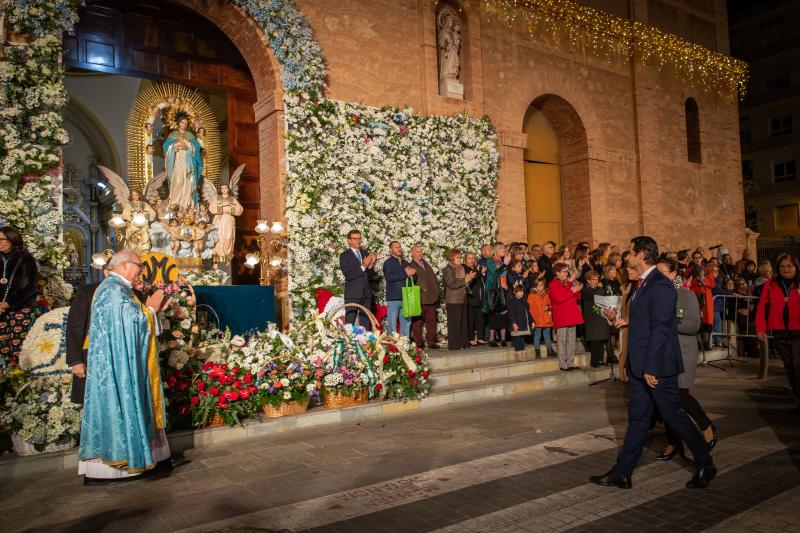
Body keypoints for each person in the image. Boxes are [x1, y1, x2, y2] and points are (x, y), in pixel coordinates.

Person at [590, 236, 716, 490]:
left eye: (630, 252)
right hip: (640, 366)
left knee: (674, 416)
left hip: (656, 367)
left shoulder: (659, 285)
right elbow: (650, 321)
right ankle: (623, 473)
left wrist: (651, 367)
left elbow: (661, 328)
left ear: (642, 255)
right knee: (638, 419)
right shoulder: (641, 284)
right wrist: (629, 323)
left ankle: (706, 462)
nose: (626, 257)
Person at [78, 249, 172, 485]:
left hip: (118, 360)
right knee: (120, 406)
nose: (141, 270)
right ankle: (120, 462)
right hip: (118, 365)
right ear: (124, 265)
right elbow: (131, 325)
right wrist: (150, 309)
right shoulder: (114, 292)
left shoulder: (118, 289)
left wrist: (153, 312)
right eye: (139, 265)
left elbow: (130, 323)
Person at [655, 257, 717, 460]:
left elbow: (693, 325)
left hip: (683, 351)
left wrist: (667, 323)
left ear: (674, 274)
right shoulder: (656, 296)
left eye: (663, 272)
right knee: (665, 401)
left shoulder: (686, 295)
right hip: (662, 353)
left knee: (680, 395)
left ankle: (706, 426)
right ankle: (674, 442)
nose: (658, 276)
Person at [755, 254, 800, 411]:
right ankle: (797, 395)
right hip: (779, 332)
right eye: (782, 266)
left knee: (798, 365)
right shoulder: (769, 285)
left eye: (789, 266)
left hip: (798, 332)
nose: (786, 269)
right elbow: (761, 309)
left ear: (796, 267)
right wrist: (760, 328)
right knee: (789, 367)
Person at [65, 266, 110, 404]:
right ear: (107, 271)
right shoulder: (88, 291)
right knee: (94, 405)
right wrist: (75, 361)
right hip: (91, 355)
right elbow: (75, 326)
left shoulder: (134, 293)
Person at [0, 226, 39, 374]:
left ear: (12, 239)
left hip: (20, 310)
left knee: (19, 350)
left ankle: (20, 382)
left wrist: (8, 303)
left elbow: (30, 286)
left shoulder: (25, 258)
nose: (0, 243)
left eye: (3, 239)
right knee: (2, 350)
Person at [339, 230, 377, 329]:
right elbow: (348, 275)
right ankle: (348, 343)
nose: (358, 241)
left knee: (365, 322)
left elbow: (370, 276)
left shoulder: (365, 253)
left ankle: (366, 344)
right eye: (355, 238)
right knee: (350, 322)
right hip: (353, 293)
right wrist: (364, 265)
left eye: (359, 238)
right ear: (349, 240)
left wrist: (371, 265)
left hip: (366, 293)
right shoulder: (344, 255)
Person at [548, 262, 583, 371]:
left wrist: (576, 289)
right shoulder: (552, 284)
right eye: (563, 272)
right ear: (557, 273)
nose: (566, 273)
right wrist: (572, 291)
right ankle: (563, 364)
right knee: (562, 341)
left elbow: (577, 297)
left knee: (571, 341)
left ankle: (570, 362)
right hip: (562, 316)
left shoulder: (567, 283)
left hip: (572, 315)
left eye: (566, 271)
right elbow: (558, 299)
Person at [442, 249, 476, 350]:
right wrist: (465, 280)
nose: (460, 259)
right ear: (452, 258)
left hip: (462, 298)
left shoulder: (461, 268)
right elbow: (451, 284)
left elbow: (464, 284)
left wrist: (469, 279)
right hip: (453, 299)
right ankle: (455, 344)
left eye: (460, 257)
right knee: (455, 323)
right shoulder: (448, 269)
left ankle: (463, 343)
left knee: (463, 322)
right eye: (458, 257)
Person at [382, 241, 416, 337]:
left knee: (406, 324)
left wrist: (413, 275)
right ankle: (392, 348)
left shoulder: (406, 263)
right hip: (393, 298)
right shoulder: (387, 263)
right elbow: (389, 277)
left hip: (406, 298)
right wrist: (406, 274)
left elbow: (412, 279)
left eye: (399, 247)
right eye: (396, 247)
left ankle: (405, 346)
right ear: (390, 250)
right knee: (392, 325)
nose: (399, 248)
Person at [409, 245, 440, 349]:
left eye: (421, 251)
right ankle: (418, 343)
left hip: (431, 299)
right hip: (419, 298)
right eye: (417, 252)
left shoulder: (427, 265)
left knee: (431, 322)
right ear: (412, 254)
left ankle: (431, 342)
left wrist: (437, 292)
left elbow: (433, 279)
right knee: (417, 323)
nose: (420, 253)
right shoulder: (410, 266)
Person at [484, 242, 511, 347]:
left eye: (504, 249)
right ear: (496, 250)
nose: (504, 250)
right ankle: (492, 338)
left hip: (504, 290)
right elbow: (496, 273)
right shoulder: (490, 260)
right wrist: (505, 264)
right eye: (502, 249)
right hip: (494, 291)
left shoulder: (503, 261)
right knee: (494, 315)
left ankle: (503, 338)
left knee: (504, 314)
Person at [581, 270, 610, 367]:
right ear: (588, 281)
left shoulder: (601, 290)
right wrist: (598, 289)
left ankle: (601, 359)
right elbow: (592, 297)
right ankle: (594, 361)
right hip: (592, 318)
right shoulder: (586, 291)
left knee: (601, 339)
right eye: (594, 279)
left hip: (601, 316)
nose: (596, 281)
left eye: (597, 279)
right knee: (595, 340)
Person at [528, 277, 554, 359]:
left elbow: (552, 304)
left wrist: (547, 307)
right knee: (537, 336)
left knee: (547, 335)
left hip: (546, 318)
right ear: (535, 286)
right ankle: (537, 353)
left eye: (541, 285)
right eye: (538, 285)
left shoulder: (547, 294)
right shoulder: (532, 295)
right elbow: (530, 309)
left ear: (544, 286)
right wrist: (532, 321)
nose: (539, 287)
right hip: (537, 319)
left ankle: (550, 351)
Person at [464, 252, 486, 346]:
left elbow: (481, 281)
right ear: (465, 260)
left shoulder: (476, 269)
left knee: (480, 319)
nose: (472, 260)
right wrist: (479, 272)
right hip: (471, 297)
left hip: (479, 297)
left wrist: (483, 274)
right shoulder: (464, 268)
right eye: (469, 258)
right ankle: (471, 338)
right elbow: (473, 277)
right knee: (471, 319)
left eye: (473, 258)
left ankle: (480, 337)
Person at [508, 285, 531, 356]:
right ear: (515, 292)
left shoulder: (523, 301)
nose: (522, 293)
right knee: (517, 338)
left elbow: (527, 312)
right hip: (516, 323)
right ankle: (518, 351)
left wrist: (532, 321)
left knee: (522, 337)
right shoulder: (512, 301)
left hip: (523, 323)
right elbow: (511, 313)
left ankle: (522, 350)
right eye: (520, 291)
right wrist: (514, 324)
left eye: (522, 291)